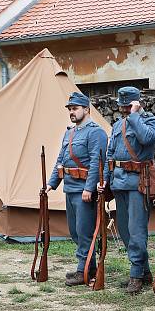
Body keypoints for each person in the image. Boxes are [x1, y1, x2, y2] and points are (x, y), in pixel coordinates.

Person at [46, 91, 108, 286]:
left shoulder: (95, 132)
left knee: (84, 231)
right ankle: (88, 266)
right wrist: (51, 183)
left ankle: (83, 270)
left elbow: (97, 163)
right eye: (70, 109)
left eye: (75, 109)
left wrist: (89, 188)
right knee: (74, 231)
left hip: (84, 190)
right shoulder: (69, 132)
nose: (71, 112)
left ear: (86, 110)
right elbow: (60, 160)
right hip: (70, 188)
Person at [103, 86, 155, 294]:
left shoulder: (150, 121)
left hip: (138, 183)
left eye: (128, 106)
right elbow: (110, 153)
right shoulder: (118, 125)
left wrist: (135, 115)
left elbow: (146, 139)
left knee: (137, 231)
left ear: (137, 103)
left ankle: (136, 274)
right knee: (125, 231)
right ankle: (143, 271)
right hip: (118, 183)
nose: (125, 110)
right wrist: (106, 180)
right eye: (123, 106)